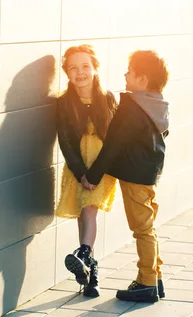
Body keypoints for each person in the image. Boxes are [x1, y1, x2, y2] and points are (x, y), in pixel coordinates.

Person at [85, 50, 170, 303]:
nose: (125, 75)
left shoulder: (133, 107)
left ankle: (146, 283)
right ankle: (156, 277)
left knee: (142, 229)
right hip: (149, 173)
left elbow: (114, 144)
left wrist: (93, 175)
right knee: (148, 227)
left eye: (130, 72)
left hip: (134, 175)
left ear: (142, 80)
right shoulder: (157, 104)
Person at [55, 44, 118, 298]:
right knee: (84, 216)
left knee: (90, 211)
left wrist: (95, 172)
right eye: (73, 68)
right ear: (67, 73)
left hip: (101, 167)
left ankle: (83, 254)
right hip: (77, 166)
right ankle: (91, 274)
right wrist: (80, 172)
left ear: (95, 68)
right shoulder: (63, 103)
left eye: (85, 66)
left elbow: (115, 138)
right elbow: (65, 141)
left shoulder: (108, 98)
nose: (80, 72)